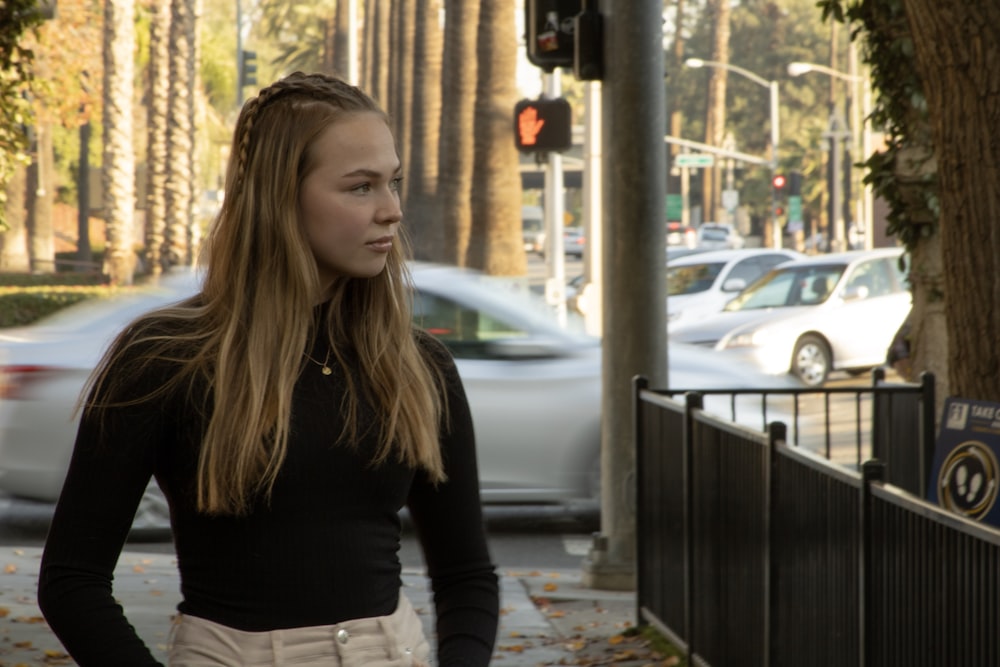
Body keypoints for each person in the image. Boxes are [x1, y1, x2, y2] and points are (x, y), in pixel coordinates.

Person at [38, 71, 500, 666]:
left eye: (393, 183)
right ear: (280, 196)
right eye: (360, 187)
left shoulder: (419, 365)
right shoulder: (164, 358)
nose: (391, 211)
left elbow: (467, 575)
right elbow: (72, 579)